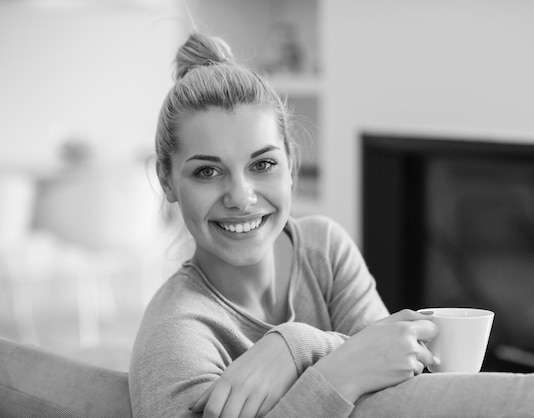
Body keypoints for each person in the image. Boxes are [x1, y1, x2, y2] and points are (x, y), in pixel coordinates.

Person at [129, 32, 438, 418]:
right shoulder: (175, 335)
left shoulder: (323, 249)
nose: (241, 197)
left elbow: (400, 377)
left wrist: (298, 345)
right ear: (168, 181)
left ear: (290, 164)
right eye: (207, 171)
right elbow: (375, 355)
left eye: (262, 165)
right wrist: (338, 374)